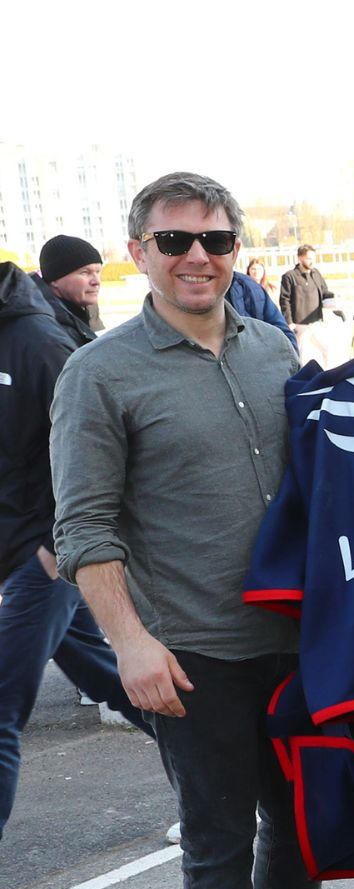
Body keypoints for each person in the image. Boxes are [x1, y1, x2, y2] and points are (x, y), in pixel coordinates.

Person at [50, 171, 354, 889]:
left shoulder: (273, 347)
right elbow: (83, 527)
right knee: (217, 838)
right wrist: (129, 642)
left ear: (236, 250)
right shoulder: (99, 373)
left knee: (300, 819)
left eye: (215, 240)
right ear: (139, 253)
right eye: (175, 241)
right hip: (190, 652)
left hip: (296, 641)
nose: (197, 256)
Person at [0, 256, 145, 845]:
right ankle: (225, 772)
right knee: (113, 680)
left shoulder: (39, 341)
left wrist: (51, 545)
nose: (94, 279)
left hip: (46, 556)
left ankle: (226, 780)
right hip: (17, 549)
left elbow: (95, 447)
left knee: (2, 706)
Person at [32, 234, 102, 347]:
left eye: (98, 272)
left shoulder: (78, 315)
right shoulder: (48, 333)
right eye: (85, 273)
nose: (96, 281)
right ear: (55, 279)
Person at [277, 244, 334, 364]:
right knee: (300, 355)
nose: (312, 261)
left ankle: (329, 373)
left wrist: (335, 300)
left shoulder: (316, 274)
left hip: (316, 322)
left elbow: (325, 292)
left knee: (327, 350)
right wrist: (289, 322)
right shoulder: (289, 276)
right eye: (308, 258)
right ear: (300, 258)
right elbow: (284, 300)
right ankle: (300, 375)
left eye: (313, 258)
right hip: (299, 324)